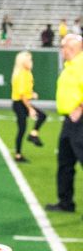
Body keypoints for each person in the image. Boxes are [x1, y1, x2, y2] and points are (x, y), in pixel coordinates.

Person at [47, 34, 83, 214]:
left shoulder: (81, 65)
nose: (61, 50)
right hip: (69, 120)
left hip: (79, 120)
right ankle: (65, 202)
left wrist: (81, 107)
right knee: (65, 162)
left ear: (72, 48)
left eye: (63, 47)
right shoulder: (70, 66)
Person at [11, 50, 48, 162]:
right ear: (23, 62)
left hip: (23, 103)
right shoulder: (22, 74)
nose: (31, 62)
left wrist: (32, 94)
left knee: (42, 116)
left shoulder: (27, 73)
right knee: (22, 129)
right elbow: (22, 95)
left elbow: (25, 91)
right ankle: (18, 155)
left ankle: (33, 134)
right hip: (20, 104)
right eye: (29, 60)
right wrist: (30, 108)